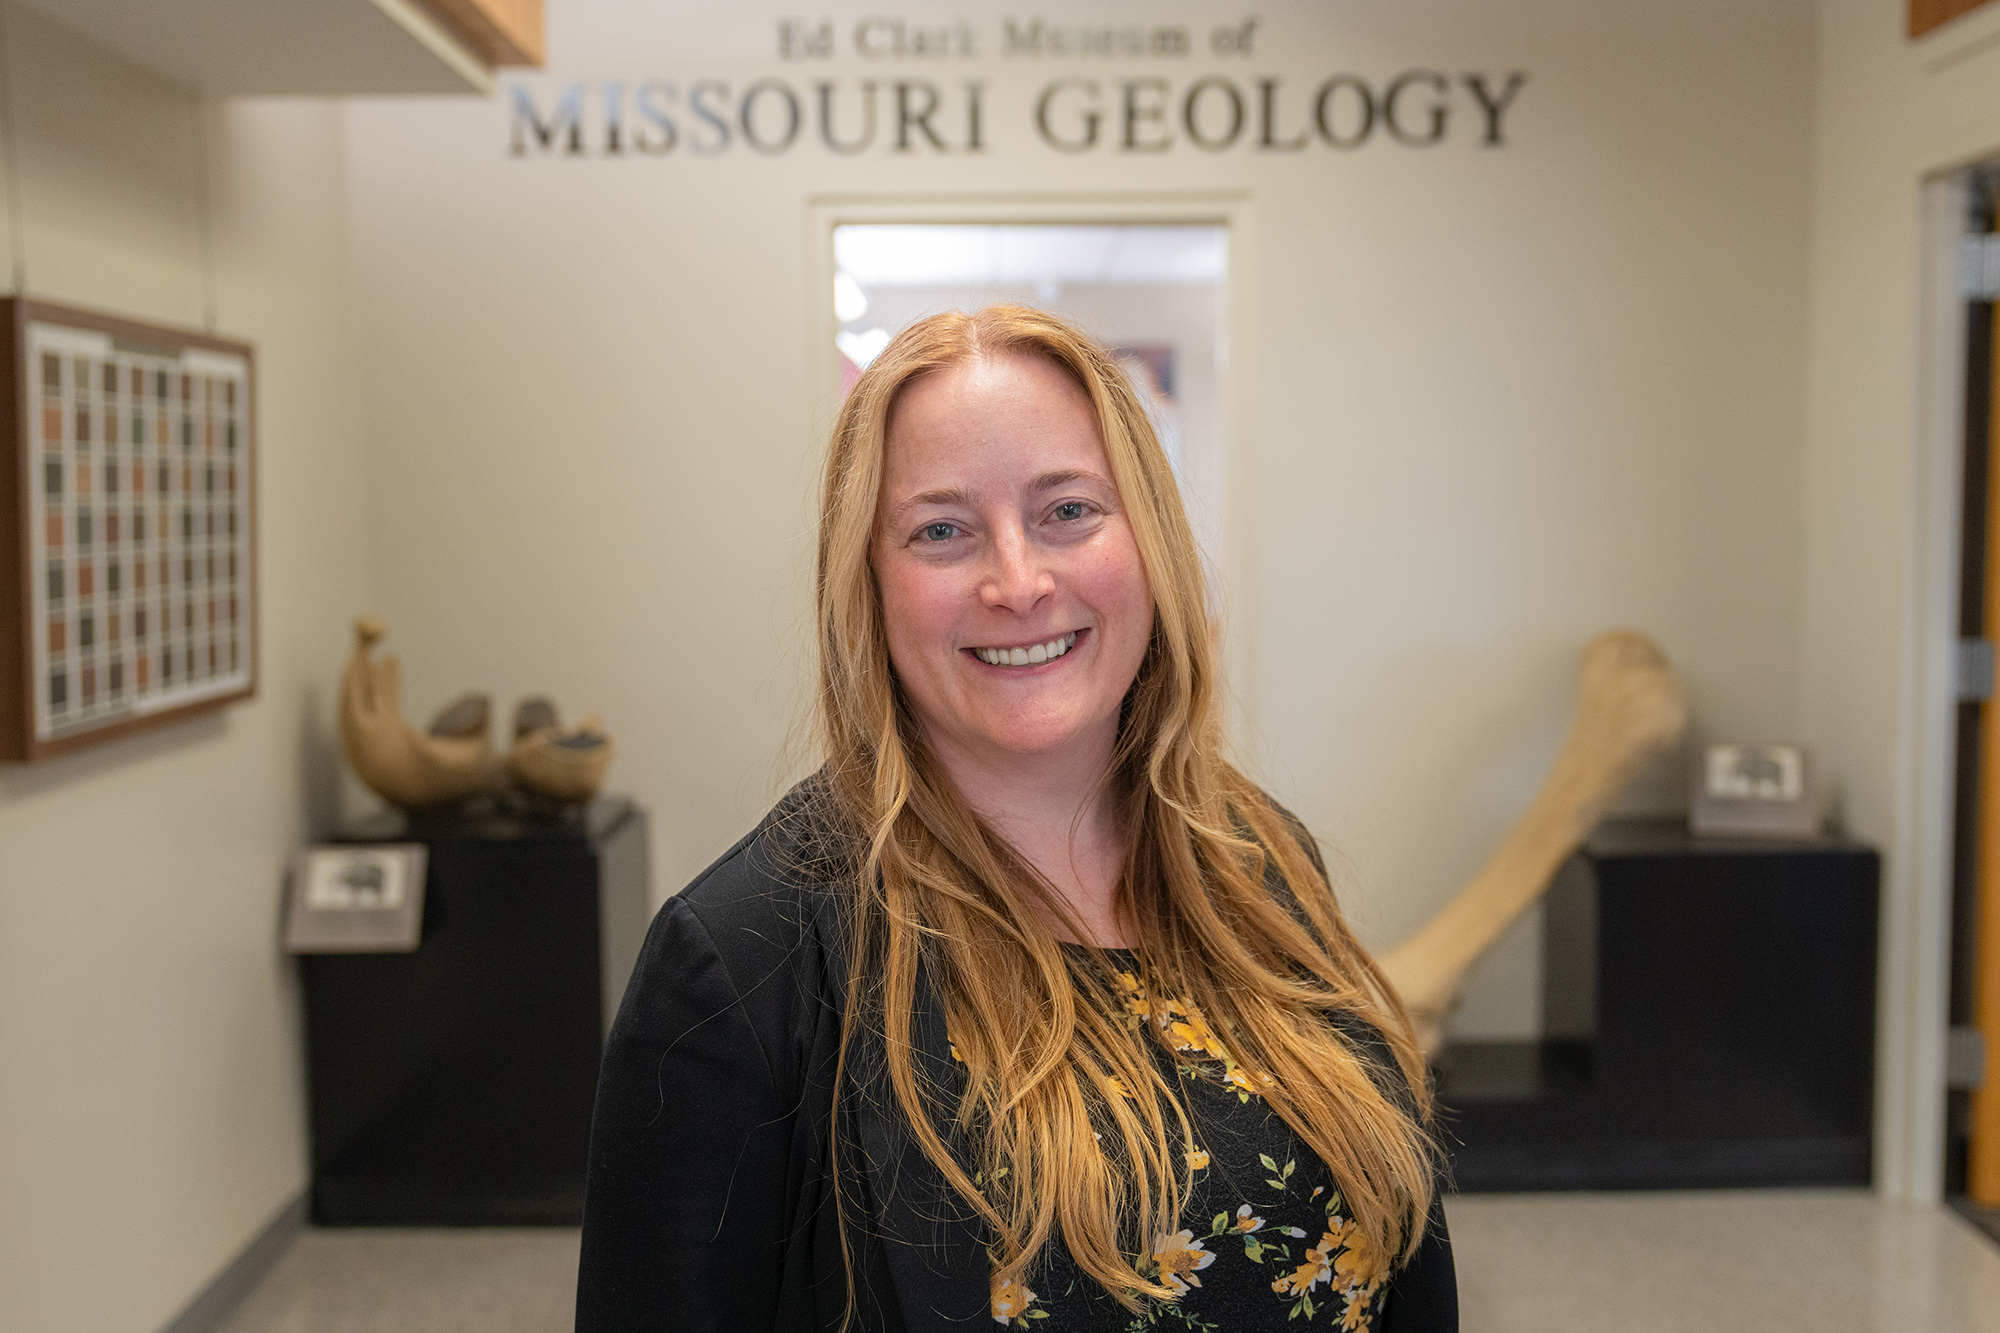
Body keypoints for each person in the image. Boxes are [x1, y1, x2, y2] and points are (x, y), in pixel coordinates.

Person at [575, 305, 1456, 1332]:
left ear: (1150, 540)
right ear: (866, 582)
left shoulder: (1257, 856)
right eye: (940, 530)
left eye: (1067, 510)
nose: (1018, 581)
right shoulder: (740, 962)